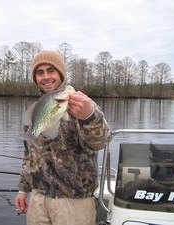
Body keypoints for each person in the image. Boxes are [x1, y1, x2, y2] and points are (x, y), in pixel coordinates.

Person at [15, 50, 112, 225]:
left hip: (73, 201)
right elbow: (29, 154)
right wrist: (23, 189)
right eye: (40, 72)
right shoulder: (35, 111)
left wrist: (88, 116)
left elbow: (101, 141)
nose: (45, 77)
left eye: (51, 70)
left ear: (61, 74)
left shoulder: (82, 104)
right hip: (38, 199)